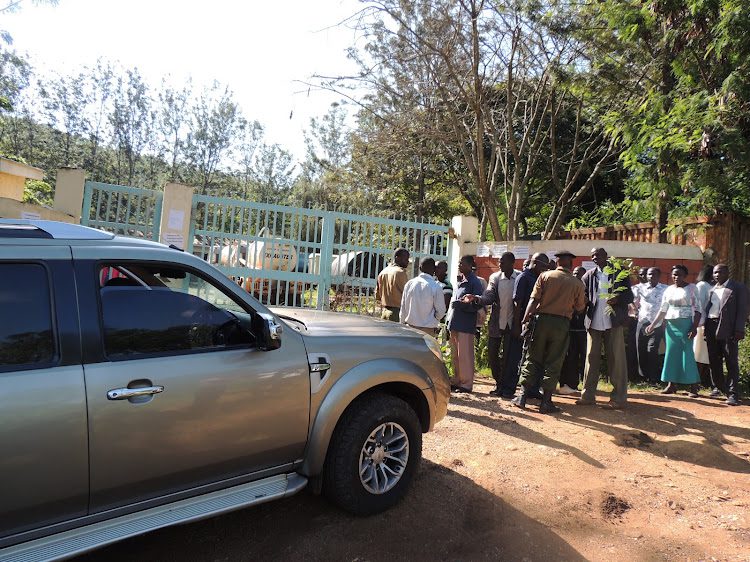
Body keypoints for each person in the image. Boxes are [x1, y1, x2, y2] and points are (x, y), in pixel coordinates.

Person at [512, 250, 586, 413]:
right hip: (561, 324)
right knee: (554, 361)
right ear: (571, 263)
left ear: (557, 262)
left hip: (541, 321)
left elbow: (533, 300)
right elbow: (580, 308)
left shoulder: (545, 276)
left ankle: (522, 397)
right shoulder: (577, 283)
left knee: (532, 357)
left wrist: (525, 320)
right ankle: (546, 402)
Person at [577, 247, 633, 409]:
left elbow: (630, 296)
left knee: (616, 360)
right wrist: (584, 301)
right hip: (593, 323)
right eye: (593, 255)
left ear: (606, 256)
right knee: (590, 359)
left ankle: (619, 398)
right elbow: (584, 296)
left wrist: (618, 298)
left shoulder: (619, 272)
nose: (595, 258)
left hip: (613, 322)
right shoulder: (589, 275)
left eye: (598, 255)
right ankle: (588, 396)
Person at [464, 252, 519, 397]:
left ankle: (507, 388)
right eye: (499, 262)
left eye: (503, 262)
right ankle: (499, 384)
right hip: (497, 322)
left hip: (512, 323)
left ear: (512, 263)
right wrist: (477, 298)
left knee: (509, 357)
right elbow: (489, 296)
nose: (500, 264)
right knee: (492, 355)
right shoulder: (495, 277)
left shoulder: (518, 277)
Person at [646, 265, 701, 396]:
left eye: (679, 275)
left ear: (685, 276)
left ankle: (693, 386)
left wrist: (694, 328)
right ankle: (671, 385)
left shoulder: (692, 288)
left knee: (687, 353)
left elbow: (698, 309)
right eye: (674, 275)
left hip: (686, 324)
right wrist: (652, 325)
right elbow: (663, 309)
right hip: (670, 325)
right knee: (671, 354)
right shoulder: (668, 289)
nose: (676, 277)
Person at [704, 264, 749, 406]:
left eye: (720, 272)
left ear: (727, 273)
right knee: (714, 360)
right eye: (715, 273)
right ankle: (718, 387)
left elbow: (743, 310)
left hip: (728, 328)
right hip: (711, 325)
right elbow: (708, 310)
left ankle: (733, 394)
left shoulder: (738, 287)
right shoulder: (712, 289)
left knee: (731, 361)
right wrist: (706, 330)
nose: (717, 275)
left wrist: (739, 329)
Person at [510, 253, 550, 400]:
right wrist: (516, 325)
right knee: (521, 357)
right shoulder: (523, 277)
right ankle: (519, 391)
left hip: (535, 323)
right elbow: (517, 303)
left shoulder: (537, 278)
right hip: (523, 323)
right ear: (535, 263)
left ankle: (532, 390)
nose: (545, 269)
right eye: (543, 266)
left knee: (533, 356)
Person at [447, 255, 484, 393]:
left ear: (469, 265)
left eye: (461, 263)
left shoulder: (474, 282)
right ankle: (457, 380)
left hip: (466, 323)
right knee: (455, 354)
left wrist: (462, 305)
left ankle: (466, 384)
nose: (459, 265)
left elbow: (477, 304)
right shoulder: (461, 280)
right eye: (458, 263)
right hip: (456, 322)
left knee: (465, 355)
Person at [632, 267, 668, 384]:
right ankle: (643, 377)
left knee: (652, 349)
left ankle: (653, 378)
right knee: (640, 349)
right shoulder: (639, 288)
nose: (651, 276)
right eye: (649, 274)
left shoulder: (665, 289)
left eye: (654, 274)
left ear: (659, 276)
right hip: (642, 322)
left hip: (657, 323)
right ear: (646, 276)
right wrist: (635, 311)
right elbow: (628, 298)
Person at [558, 265, 587, 394]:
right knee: (570, 358)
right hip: (570, 329)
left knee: (585, 359)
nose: (577, 276)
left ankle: (585, 385)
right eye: (575, 273)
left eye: (580, 274)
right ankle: (569, 384)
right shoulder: (569, 289)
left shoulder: (587, 291)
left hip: (584, 331)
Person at [400, 258, 446, 335]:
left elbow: (403, 307)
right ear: (434, 269)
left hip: (409, 328)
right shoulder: (436, 287)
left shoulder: (409, 284)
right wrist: (434, 319)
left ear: (420, 268)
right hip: (427, 330)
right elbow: (441, 311)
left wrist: (402, 323)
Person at [693, 265, 715, 389]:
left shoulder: (711, 286)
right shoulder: (702, 285)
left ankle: (703, 381)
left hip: (709, 325)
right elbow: (699, 305)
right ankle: (695, 382)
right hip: (701, 325)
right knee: (699, 355)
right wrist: (700, 324)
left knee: (705, 355)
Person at [375, 248, 410, 322]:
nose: (408, 261)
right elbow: (408, 295)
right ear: (397, 258)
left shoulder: (383, 272)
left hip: (384, 312)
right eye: (406, 258)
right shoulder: (400, 272)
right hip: (396, 313)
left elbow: (377, 295)